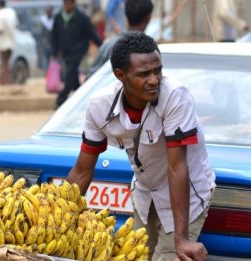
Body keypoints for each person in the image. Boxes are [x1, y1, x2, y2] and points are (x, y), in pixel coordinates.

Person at [66, 32, 215, 261]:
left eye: (158, 70)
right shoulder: (99, 107)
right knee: (132, 256)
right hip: (145, 193)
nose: (154, 80)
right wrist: (58, 214)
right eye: (144, 74)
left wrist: (182, 240)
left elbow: (177, 168)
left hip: (185, 194)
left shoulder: (175, 96)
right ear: (120, 75)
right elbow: (82, 171)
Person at [51, 0, 102, 108]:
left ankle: (60, 100)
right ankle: (81, 99)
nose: (67, 5)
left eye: (69, 3)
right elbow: (54, 36)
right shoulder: (58, 17)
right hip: (65, 54)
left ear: (73, 4)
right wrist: (54, 51)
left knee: (69, 76)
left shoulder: (81, 17)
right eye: (65, 3)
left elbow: (91, 33)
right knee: (74, 81)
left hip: (78, 53)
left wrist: (101, 45)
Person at [89, 0, 154, 75]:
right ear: (148, 18)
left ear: (125, 15)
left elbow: (91, 76)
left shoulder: (108, 45)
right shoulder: (151, 49)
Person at [0, 0, 18, 85]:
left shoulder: (0, 14)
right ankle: (6, 81)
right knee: (7, 63)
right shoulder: (11, 12)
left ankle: (5, 82)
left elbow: (0, 29)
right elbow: (16, 24)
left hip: (3, 43)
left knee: (4, 63)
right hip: (11, 42)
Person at [39, 5, 54, 71]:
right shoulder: (43, 21)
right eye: (47, 11)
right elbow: (42, 34)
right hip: (46, 44)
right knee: (46, 60)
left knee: (53, 60)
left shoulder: (55, 20)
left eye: (49, 11)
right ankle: (47, 73)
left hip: (53, 44)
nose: (48, 12)